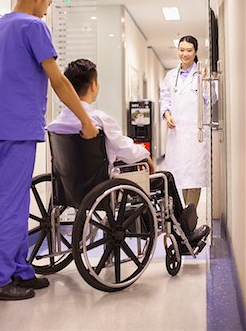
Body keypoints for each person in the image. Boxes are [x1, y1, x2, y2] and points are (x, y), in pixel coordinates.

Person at [0, 0, 98, 302]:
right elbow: (59, 81)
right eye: (47, 4)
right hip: (16, 127)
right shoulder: (32, 26)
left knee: (13, 200)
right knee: (9, 203)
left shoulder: (0, 28)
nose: (46, 12)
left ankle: (19, 269)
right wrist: (85, 120)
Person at [48, 58, 188, 224]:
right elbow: (125, 150)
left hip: (68, 188)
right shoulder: (98, 119)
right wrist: (145, 154)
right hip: (104, 187)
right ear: (93, 85)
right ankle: (184, 233)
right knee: (166, 178)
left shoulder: (56, 125)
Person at [160, 35, 209, 209]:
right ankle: (184, 221)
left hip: (195, 134)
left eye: (189, 50)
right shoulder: (170, 75)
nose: (185, 54)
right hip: (177, 133)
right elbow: (164, 99)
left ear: (195, 52)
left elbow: (211, 100)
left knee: (193, 177)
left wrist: (204, 83)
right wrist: (167, 114)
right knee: (179, 178)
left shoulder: (202, 73)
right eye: (182, 50)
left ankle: (190, 219)